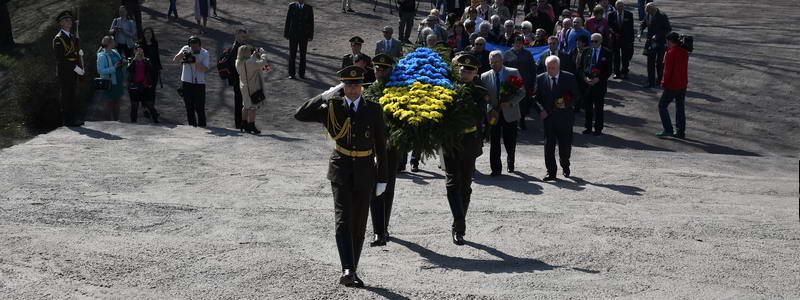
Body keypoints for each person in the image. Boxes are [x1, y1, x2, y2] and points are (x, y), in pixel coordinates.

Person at [294, 66, 388, 288]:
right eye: (348, 85)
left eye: (356, 85)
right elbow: (300, 114)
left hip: (365, 169)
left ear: (362, 87)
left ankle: (352, 268)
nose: (353, 89)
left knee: (359, 222)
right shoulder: (332, 107)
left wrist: (382, 178)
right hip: (341, 169)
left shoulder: (374, 109)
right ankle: (347, 269)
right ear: (342, 87)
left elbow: (381, 147)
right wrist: (323, 96)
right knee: (343, 219)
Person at [443, 54, 488, 245]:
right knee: (452, 182)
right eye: (463, 70)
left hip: (469, 142)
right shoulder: (448, 88)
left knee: (465, 185)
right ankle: (459, 224)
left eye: (469, 71)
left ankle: (459, 220)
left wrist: (464, 102)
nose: (465, 74)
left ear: (475, 73)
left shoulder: (479, 92)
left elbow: (480, 115)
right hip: (451, 141)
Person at [362, 54, 397, 247]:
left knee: (386, 186)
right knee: (372, 186)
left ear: (390, 70)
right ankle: (378, 230)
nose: (379, 72)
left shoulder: (398, 91)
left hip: (390, 147)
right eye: (377, 68)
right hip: (369, 147)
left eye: (383, 69)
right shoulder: (367, 91)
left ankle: (384, 226)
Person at [532, 55, 579, 181]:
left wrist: (566, 104)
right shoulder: (540, 78)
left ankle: (565, 163)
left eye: (553, 68)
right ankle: (551, 171)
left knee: (565, 146)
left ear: (559, 67)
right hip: (549, 118)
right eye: (549, 68)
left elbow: (576, 96)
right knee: (549, 146)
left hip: (565, 118)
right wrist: (541, 110)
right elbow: (535, 98)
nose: (551, 70)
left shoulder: (569, 77)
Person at [481, 50, 525, 176]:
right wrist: (490, 108)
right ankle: (496, 168)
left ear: (502, 61)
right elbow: (484, 96)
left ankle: (510, 159)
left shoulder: (513, 72)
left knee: (509, 140)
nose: (494, 64)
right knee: (494, 141)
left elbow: (522, 92)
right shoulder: (484, 76)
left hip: (509, 112)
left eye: (496, 62)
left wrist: (510, 103)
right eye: (492, 62)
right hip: (493, 114)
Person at [52, 10, 85, 127]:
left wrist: (79, 54)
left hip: (73, 70)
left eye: (70, 19)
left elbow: (73, 53)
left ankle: (73, 118)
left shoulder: (72, 36)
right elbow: (61, 59)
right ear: (61, 23)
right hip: (65, 71)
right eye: (66, 20)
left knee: (72, 94)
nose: (69, 21)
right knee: (66, 95)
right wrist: (75, 67)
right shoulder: (58, 39)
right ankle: (67, 120)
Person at [657, 32, 689, 139]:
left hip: (672, 84)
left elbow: (667, 71)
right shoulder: (684, 52)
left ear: (670, 41)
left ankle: (668, 129)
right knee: (680, 107)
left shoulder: (670, 53)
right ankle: (680, 131)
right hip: (682, 83)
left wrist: (663, 83)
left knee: (662, 106)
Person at [172, 36, 210, 127]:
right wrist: (183, 54)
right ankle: (192, 127)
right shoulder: (186, 48)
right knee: (189, 107)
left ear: (200, 46)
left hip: (199, 83)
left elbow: (204, 69)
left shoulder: (205, 53)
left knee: (199, 107)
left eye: (196, 47)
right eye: (192, 47)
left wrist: (194, 61)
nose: (194, 49)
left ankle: (202, 126)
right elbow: (175, 60)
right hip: (186, 82)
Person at [503, 35, 536, 131]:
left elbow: (532, 68)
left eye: (520, 43)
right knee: (513, 101)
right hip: (511, 83)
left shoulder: (527, 54)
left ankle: (522, 120)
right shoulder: (507, 54)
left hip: (524, 82)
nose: (518, 44)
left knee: (523, 102)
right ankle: (513, 121)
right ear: (513, 43)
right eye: (516, 42)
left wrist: (533, 82)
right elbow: (504, 68)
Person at [581, 33, 612, 135]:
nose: (593, 43)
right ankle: (588, 127)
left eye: (596, 41)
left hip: (599, 84)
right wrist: (585, 78)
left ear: (601, 41)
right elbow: (581, 67)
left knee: (598, 108)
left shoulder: (607, 53)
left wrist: (599, 79)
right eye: (592, 41)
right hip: (587, 84)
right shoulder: (586, 51)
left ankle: (598, 128)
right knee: (588, 107)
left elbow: (608, 70)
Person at [236, 45, 269, 134]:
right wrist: (263, 53)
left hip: (243, 86)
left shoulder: (238, 62)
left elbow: (248, 63)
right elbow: (263, 63)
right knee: (253, 107)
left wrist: (253, 56)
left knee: (245, 105)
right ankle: (251, 125)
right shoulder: (251, 63)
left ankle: (243, 123)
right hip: (252, 86)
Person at [640, 2, 671, 88]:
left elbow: (668, 29)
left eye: (649, 11)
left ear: (653, 9)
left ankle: (660, 80)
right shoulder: (648, 14)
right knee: (650, 62)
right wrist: (640, 31)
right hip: (650, 42)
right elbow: (643, 23)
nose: (648, 13)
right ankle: (651, 82)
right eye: (647, 11)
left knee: (660, 63)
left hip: (661, 43)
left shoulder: (662, 16)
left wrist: (657, 35)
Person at [127, 45, 159, 123]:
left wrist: (144, 60)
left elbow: (151, 69)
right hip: (134, 86)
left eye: (141, 51)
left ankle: (156, 119)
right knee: (134, 105)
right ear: (134, 51)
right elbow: (128, 69)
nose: (140, 53)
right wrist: (134, 60)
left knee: (149, 104)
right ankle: (133, 122)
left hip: (145, 85)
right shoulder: (131, 60)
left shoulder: (146, 60)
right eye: (138, 51)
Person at [96, 36, 125, 121]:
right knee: (108, 103)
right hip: (109, 82)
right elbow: (100, 70)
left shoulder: (115, 52)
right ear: (109, 43)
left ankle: (116, 121)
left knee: (117, 102)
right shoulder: (102, 56)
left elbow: (119, 61)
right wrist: (114, 68)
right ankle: (108, 123)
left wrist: (123, 62)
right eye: (113, 41)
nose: (115, 42)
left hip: (118, 81)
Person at [284, 0, 314, 80]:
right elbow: (288, 20)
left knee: (303, 55)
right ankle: (291, 73)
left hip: (304, 35)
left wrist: (310, 35)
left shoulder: (309, 8)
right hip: (293, 35)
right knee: (292, 55)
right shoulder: (292, 6)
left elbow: (311, 22)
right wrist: (286, 33)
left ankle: (302, 74)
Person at [226, 28, 248, 129]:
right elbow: (234, 65)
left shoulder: (240, 47)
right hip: (238, 79)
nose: (244, 38)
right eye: (242, 36)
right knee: (240, 103)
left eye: (245, 37)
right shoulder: (235, 48)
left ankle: (242, 123)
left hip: (240, 79)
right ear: (237, 36)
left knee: (242, 102)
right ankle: (240, 124)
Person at [607, 0, 634, 79]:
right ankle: (616, 72)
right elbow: (609, 26)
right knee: (616, 56)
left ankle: (625, 72)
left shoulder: (629, 14)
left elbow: (631, 28)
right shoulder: (611, 15)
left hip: (625, 39)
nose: (620, 8)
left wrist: (631, 40)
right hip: (615, 39)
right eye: (618, 6)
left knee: (625, 56)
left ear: (624, 6)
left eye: (621, 6)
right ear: (616, 7)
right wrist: (613, 32)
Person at [141, 28, 162, 120]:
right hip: (144, 70)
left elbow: (156, 55)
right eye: (146, 33)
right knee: (145, 89)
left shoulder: (155, 43)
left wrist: (159, 66)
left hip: (154, 69)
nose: (148, 34)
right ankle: (145, 108)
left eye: (149, 33)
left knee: (152, 89)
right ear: (144, 34)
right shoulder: (140, 44)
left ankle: (152, 107)